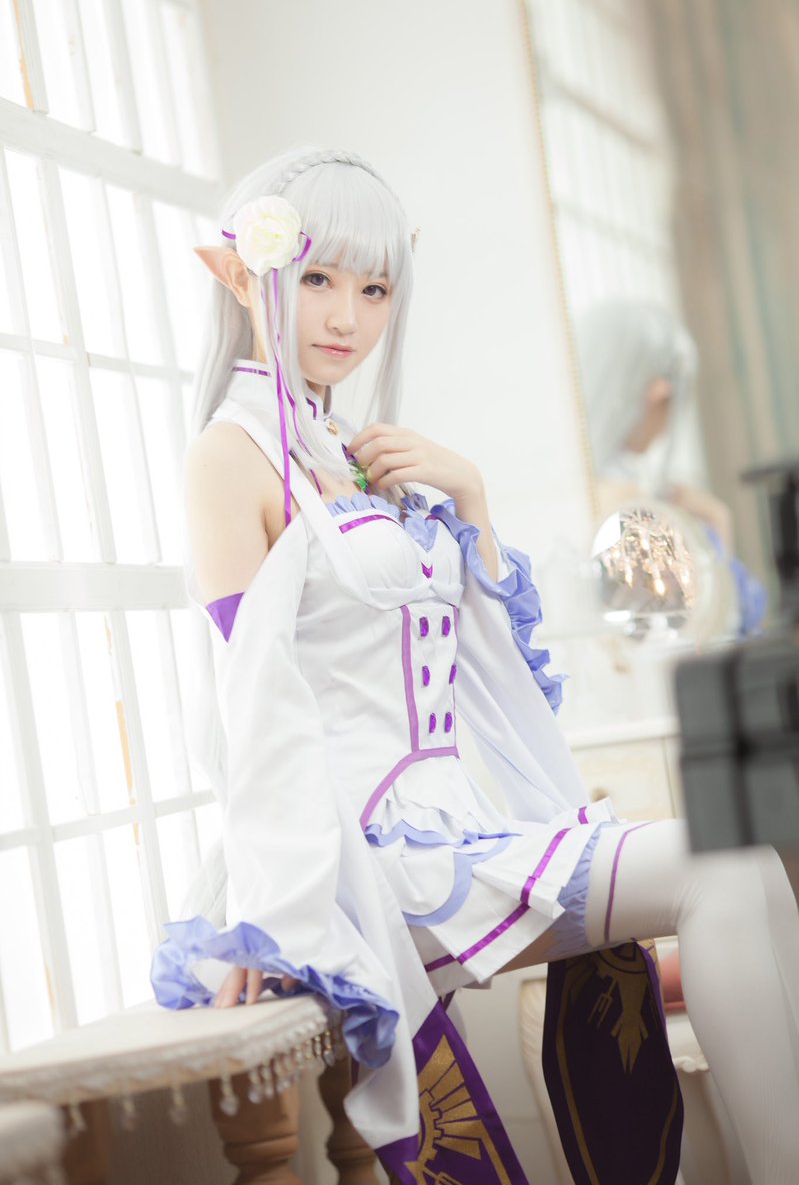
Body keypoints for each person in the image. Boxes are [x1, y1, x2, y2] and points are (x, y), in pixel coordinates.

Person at [151, 147, 799, 1184]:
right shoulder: (229, 458)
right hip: (364, 858)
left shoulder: (351, 450)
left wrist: (472, 500)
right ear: (239, 274)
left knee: (750, 863)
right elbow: (252, 710)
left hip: (457, 828)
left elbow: (489, 675)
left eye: (374, 289)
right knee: (721, 864)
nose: (346, 317)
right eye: (315, 278)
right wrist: (276, 913)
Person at [575, 299, 767, 636]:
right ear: (658, 394)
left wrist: (716, 520)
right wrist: (716, 525)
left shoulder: (622, 490)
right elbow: (716, 621)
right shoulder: (625, 505)